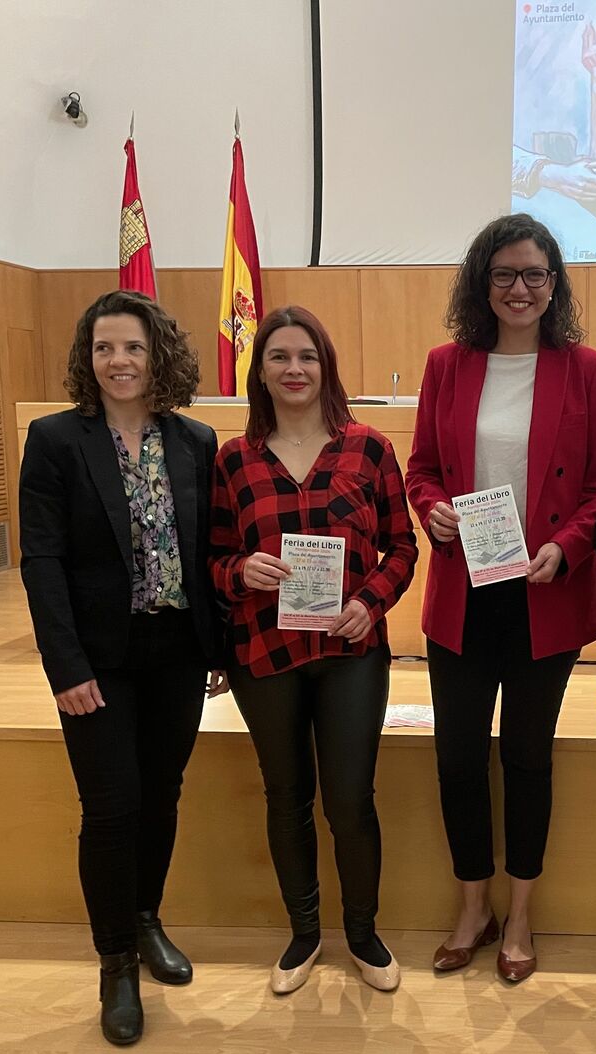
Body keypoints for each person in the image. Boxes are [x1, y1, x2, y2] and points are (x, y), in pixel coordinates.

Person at [407, 213, 596, 983]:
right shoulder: (447, 364)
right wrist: (430, 508)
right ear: (482, 283)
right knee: (458, 758)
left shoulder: (587, 369)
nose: (520, 288)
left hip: (545, 593)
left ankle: (521, 914)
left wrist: (568, 546)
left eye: (534, 274)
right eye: (504, 275)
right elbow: (422, 467)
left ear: (554, 283)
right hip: (465, 591)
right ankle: (474, 906)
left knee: (528, 758)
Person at [18, 290, 226, 1046]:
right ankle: (115, 965)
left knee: (162, 795)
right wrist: (64, 667)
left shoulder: (196, 441)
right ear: (87, 357)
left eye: (132, 347)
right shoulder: (55, 441)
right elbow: (42, 561)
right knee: (111, 809)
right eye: (105, 348)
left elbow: (212, 554)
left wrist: (219, 648)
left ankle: (145, 920)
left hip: (176, 652)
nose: (119, 361)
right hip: (96, 664)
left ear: (157, 353)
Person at [210, 306, 417, 995]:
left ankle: (361, 933)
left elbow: (404, 546)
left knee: (351, 799)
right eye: (279, 357)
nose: (294, 369)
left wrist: (370, 603)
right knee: (286, 794)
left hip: (350, 652)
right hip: (263, 652)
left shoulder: (369, 449)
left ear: (325, 366)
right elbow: (212, 558)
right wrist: (241, 572)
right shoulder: (233, 460)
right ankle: (304, 935)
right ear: (259, 372)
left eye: (307, 357)